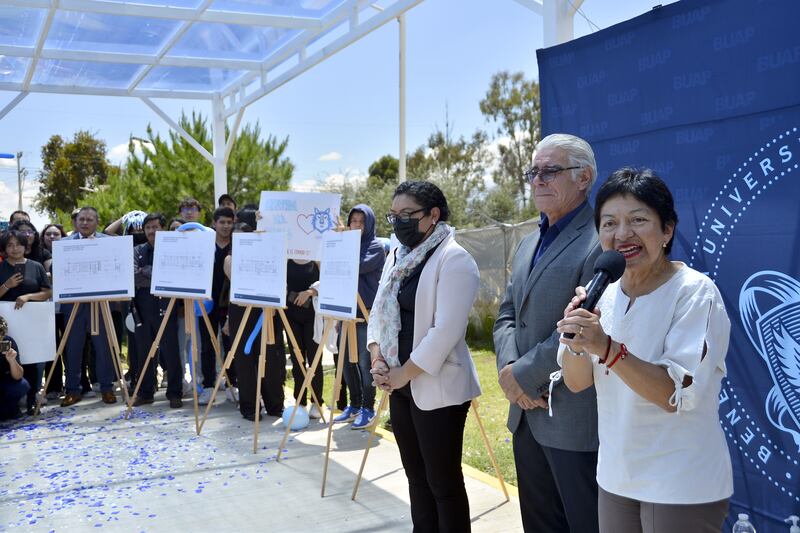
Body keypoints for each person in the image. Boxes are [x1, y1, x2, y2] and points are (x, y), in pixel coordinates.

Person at [557, 168, 732, 532]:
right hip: (616, 477)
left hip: (680, 482)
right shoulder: (601, 293)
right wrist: (577, 339)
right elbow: (576, 384)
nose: (622, 234)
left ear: (667, 230)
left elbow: (673, 393)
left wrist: (606, 348)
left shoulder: (695, 293)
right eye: (609, 223)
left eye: (638, 220)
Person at [493, 133, 602, 533]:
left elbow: (583, 326)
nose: (538, 180)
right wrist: (509, 371)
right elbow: (507, 313)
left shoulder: (600, 239)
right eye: (534, 172)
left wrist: (523, 374)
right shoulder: (527, 242)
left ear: (584, 178)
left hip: (570, 417)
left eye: (550, 171)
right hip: (525, 413)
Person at [369, 181, 481, 532]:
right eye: (394, 215)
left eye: (407, 214)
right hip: (399, 386)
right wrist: (377, 359)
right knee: (416, 481)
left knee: (443, 484)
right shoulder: (396, 255)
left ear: (433, 215)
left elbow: (446, 331)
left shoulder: (454, 258)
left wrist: (404, 373)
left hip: (438, 389)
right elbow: (377, 313)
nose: (399, 222)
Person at [224, 220, 286, 421]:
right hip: (242, 311)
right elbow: (237, 276)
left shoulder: (271, 254)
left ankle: (275, 404)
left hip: (267, 310)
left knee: (271, 358)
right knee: (245, 360)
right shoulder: (229, 259)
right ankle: (250, 406)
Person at [333, 204, 385, 430]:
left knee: (365, 364)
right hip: (346, 313)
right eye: (353, 221)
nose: (356, 225)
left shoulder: (375, 246)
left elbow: (353, 266)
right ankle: (354, 405)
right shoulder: (347, 245)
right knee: (345, 363)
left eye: (361, 222)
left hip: (366, 314)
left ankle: (368, 408)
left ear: (369, 224)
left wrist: (342, 243)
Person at [60, 207, 119, 407]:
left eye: (89, 219)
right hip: (74, 302)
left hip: (101, 302)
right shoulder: (63, 245)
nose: (85, 223)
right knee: (73, 347)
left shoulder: (107, 242)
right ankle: (73, 390)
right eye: (82, 219)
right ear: (76, 222)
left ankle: (106, 388)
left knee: (103, 346)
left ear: (97, 221)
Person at [131, 213, 183, 408]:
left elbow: (173, 273)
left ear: (163, 229)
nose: (152, 231)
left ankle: (175, 393)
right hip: (143, 306)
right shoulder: (137, 250)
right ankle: (146, 392)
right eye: (148, 228)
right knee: (144, 351)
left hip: (167, 305)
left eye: (156, 227)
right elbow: (134, 275)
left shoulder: (173, 250)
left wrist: (146, 271)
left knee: (171, 351)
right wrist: (156, 272)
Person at [0, 230, 52, 414]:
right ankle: (11, 403)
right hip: (6, 322)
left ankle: (32, 399)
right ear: (5, 248)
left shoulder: (36, 266)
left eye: (19, 244)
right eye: (10, 245)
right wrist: (7, 286)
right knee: (11, 358)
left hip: (32, 320)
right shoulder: (1, 268)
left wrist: (28, 296)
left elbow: (47, 292)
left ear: (26, 246)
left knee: (34, 360)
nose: (15, 249)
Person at [197, 207, 234, 405]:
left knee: (230, 345)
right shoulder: (205, 244)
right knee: (207, 345)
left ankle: (231, 384)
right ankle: (209, 386)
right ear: (214, 223)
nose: (226, 226)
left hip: (229, 304)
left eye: (229, 222)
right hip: (207, 303)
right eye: (222, 222)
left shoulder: (237, 245)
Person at [286, 257, 323, 419]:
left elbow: (328, 280)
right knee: (297, 359)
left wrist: (310, 292)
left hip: (313, 317)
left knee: (315, 359)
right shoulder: (286, 259)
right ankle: (300, 400)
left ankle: (316, 401)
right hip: (291, 315)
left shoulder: (316, 260)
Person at [41, 223, 68, 399]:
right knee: (52, 348)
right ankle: (53, 387)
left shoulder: (68, 252)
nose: (52, 237)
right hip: (46, 309)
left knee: (71, 348)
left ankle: (78, 383)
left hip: (66, 306)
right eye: (48, 234)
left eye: (56, 234)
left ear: (62, 236)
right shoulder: (39, 254)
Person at [0, 316, 27, 420]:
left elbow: (18, 376)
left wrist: (12, 361)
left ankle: (9, 409)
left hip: (4, 381)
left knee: (21, 385)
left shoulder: (8, 342)